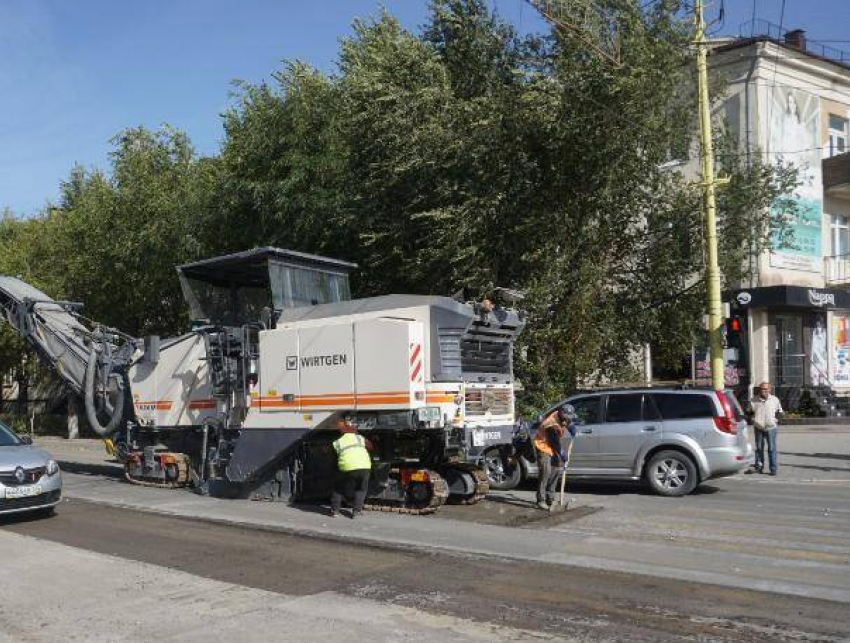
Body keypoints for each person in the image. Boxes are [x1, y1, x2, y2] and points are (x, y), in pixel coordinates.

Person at [533, 405, 577, 510]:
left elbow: (567, 422)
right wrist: (562, 453)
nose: (568, 419)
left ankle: (550, 498)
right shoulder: (551, 424)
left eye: (569, 417)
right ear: (562, 414)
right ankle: (541, 500)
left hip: (552, 446)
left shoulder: (562, 417)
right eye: (567, 417)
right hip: (543, 446)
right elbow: (554, 442)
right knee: (546, 472)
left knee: (556, 470)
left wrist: (571, 427)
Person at [330, 418, 372, 518]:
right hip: (364, 466)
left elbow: (334, 457)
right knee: (361, 489)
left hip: (347, 466)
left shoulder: (337, 442)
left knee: (338, 488)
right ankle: (356, 512)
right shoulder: (360, 438)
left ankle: (335, 511)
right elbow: (370, 446)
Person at [749, 382, 783, 476]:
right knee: (759, 448)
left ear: (769, 390)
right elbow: (749, 412)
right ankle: (759, 467)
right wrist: (752, 419)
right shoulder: (753, 400)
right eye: (762, 389)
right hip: (758, 427)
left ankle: (773, 469)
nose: (763, 391)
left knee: (772, 448)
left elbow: (780, 412)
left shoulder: (775, 400)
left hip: (771, 428)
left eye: (765, 389)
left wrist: (776, 420)